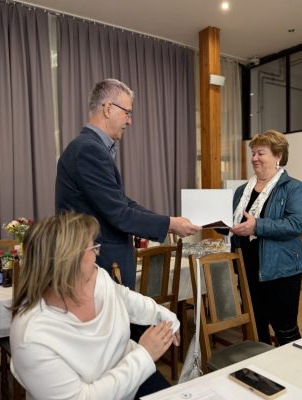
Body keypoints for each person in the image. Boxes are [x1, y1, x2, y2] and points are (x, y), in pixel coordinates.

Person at [10, 212, 180, 400]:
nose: (97, 254)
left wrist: (164, 316)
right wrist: (144, 355)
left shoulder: (96, 276)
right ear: (68, 261)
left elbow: (124, 297)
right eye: (93, 248)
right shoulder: (32, 339)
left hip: (134, 374)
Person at [55, 78, 201, 289]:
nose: (129, 121)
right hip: (97, 267)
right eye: (127, 113)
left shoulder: (90, 147)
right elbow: (119, 214)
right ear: (108, 108)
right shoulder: (89, 150)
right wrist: (170, 224)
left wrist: (168, 221)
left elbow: (121, 202)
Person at [230, 130, 302, 346]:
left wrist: (257, 226)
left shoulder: (293, 187)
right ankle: (262, 365)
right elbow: (235, 223)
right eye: (253, 153)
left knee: (285, 330)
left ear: (278, 156)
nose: (254, 158)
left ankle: (292, 366)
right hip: (247, 269)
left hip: (280, 270)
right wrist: (219, 224)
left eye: (261, 153)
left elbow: (297, 223)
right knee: (256, 327)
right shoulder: (241, 191)